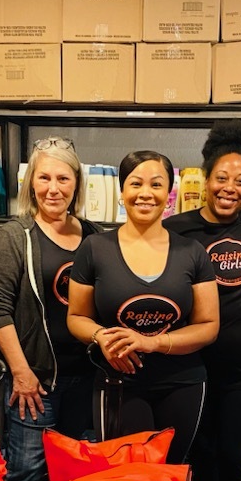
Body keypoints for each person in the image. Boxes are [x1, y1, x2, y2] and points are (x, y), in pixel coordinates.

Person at [67, 150, 219, 464]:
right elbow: (77, 316)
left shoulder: (192, 252)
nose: (145, 193)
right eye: (136, 184)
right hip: (119, 382)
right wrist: (102, 338)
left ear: (169, 193)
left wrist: (152, 342)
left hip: (182, 383)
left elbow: (209, 326)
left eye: (156, 184)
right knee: (126, 480)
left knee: (170, 479)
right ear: (122, 192)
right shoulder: (95, 249)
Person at [164, 119, 241, 481]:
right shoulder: (176, 230)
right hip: (191, 368)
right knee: (198, 454)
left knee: (234, 456)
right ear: (206, 178)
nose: (230, 188)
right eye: (222, 177)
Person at [0, 136, 101, 481]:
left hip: (86, 380)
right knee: (26, 475)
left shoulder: (95, 237)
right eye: (44, 178)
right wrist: (20, 372)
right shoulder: (15, 237)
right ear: (31, 183)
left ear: (77, 184)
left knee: (73, 479)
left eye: (63, 179)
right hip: (36, 382)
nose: (53, 189)